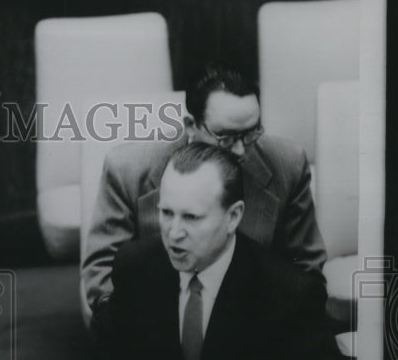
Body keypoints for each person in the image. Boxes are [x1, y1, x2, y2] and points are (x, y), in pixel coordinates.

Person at [84, 143, 351, 360]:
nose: (173, 233)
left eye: (191, 217)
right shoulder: (134, 266)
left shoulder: (287, 292)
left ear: (233, 216)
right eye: (166, 213)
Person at [81, 64, 327, 318]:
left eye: (251, 132)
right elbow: (102, 271)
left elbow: (306, 270)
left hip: (255, 321)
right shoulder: (128, 170)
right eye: (226, 137)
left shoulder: (288, 165)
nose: (241, 150)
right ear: (190, 125)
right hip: (159, 320)